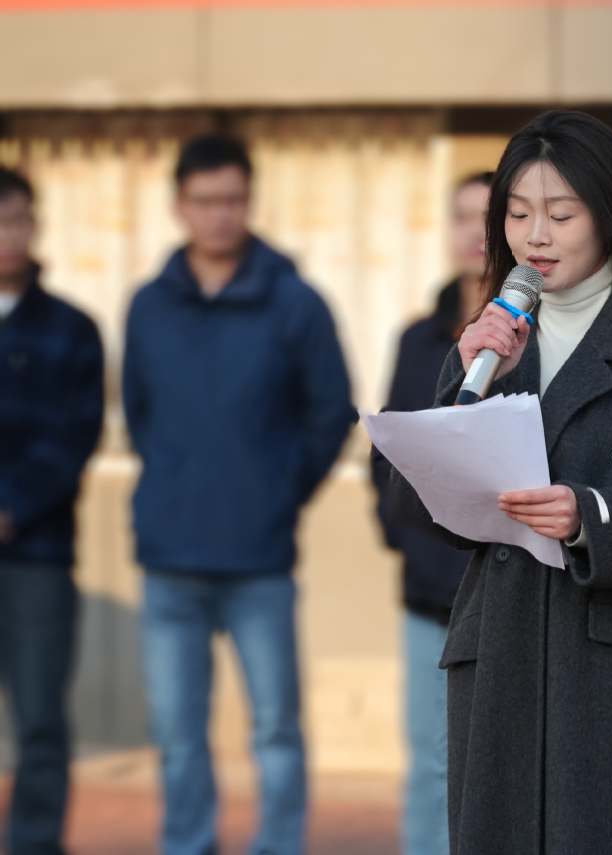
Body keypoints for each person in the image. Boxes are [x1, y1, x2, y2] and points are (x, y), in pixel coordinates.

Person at [387, 110, 612, 855]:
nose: (536, 237)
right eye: (518, 214)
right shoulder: (488, 344)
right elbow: (422, 503)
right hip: (507, 661)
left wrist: (592, 516)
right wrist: (463, 384)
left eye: (561, 215)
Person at [122, 134, 353, 855]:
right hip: (169, 557)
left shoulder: (296, 303)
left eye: (232, 199)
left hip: (259, 557)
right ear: (179, 205)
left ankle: (278, 844)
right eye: (204, 201)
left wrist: (280, 490)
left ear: (250, 201)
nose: (219, 214)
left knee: (276, 726)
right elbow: (138, 411)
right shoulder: (147, 306)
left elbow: (331, 413)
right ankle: (188, 843)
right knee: (177, 732)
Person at [371, 170, 492, 855]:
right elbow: (387, 452)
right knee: (430, 760)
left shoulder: (546, 336)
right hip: (428, 590)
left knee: (504, 763)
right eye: (463, 215)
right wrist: (405, 539)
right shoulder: (418, 339)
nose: (477, 230)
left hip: (510, 586)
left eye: (491, 215)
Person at [0, 167, 104, 855]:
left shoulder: (71, 328)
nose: (7, 235)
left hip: (36, 552)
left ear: (35, 225)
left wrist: (10, 506)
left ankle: (34, 843)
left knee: (39, 717)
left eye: (17, 219)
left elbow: (74, 434)